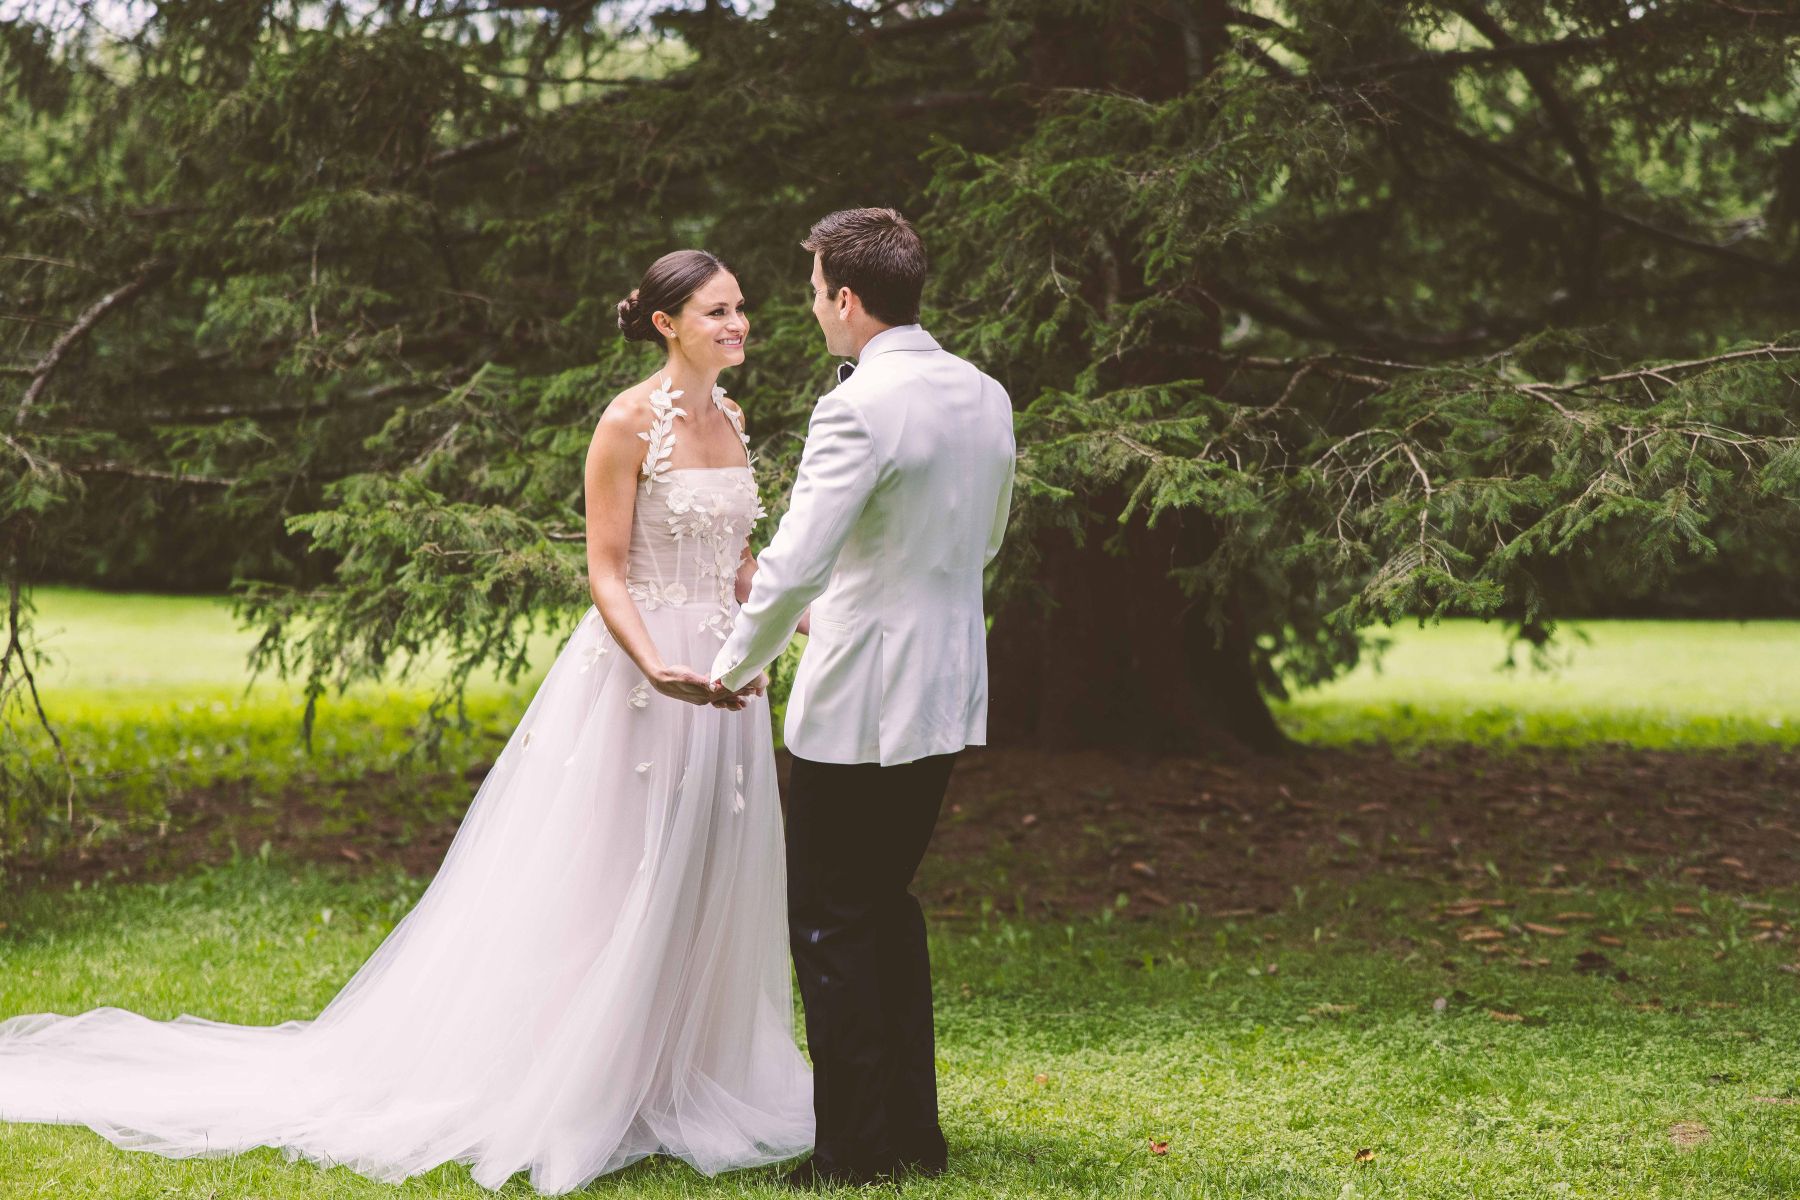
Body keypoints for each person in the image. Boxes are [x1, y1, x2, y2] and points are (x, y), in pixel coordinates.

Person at [0, 250, 813, 1194]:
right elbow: (603, 570)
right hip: (642, 678)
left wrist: (793, 614)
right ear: (670, 323)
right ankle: (585, 1077)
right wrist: (655, 665)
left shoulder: (736, 421)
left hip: (721, 680)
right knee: (617, 869)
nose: (740, 323)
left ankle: (682, 1072)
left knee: (707, 861)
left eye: (743, 308)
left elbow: (739, 559)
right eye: (720, 310)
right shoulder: (628, 423)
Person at [709, 207, 1016, 1188]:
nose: (809, 311)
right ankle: (910, 1137)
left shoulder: (858, 407)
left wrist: (729, 668)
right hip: (946, 689)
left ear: (846, 298)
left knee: (833, 918)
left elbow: (795, 565)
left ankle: (851, 1151)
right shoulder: (985, 394)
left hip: (861, 701)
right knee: (886, 906)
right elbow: (986, 541)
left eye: (811, 294)